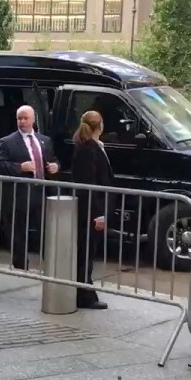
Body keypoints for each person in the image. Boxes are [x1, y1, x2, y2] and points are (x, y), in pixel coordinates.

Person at [0, 105, 59, 270]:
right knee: (18, 234)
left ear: (33, 119)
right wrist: (20, 167)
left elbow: (52, 159)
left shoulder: (44, 140)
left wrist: (56, 166)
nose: (22, 122)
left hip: (40, 192)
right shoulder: (7, 142)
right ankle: (21, 267)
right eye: (19, 118)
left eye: (25, 118)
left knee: (46, 231)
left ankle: (51, 266)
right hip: (19, 195)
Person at [71, 110, 111, 310]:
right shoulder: (87, 149)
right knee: (85, 252)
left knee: (87, 252)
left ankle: (84, 290)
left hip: (91, 208)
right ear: (100, 125)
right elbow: (89, 184)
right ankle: (83, 294)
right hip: (89, 210)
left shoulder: (92, 146)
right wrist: (98, 214)